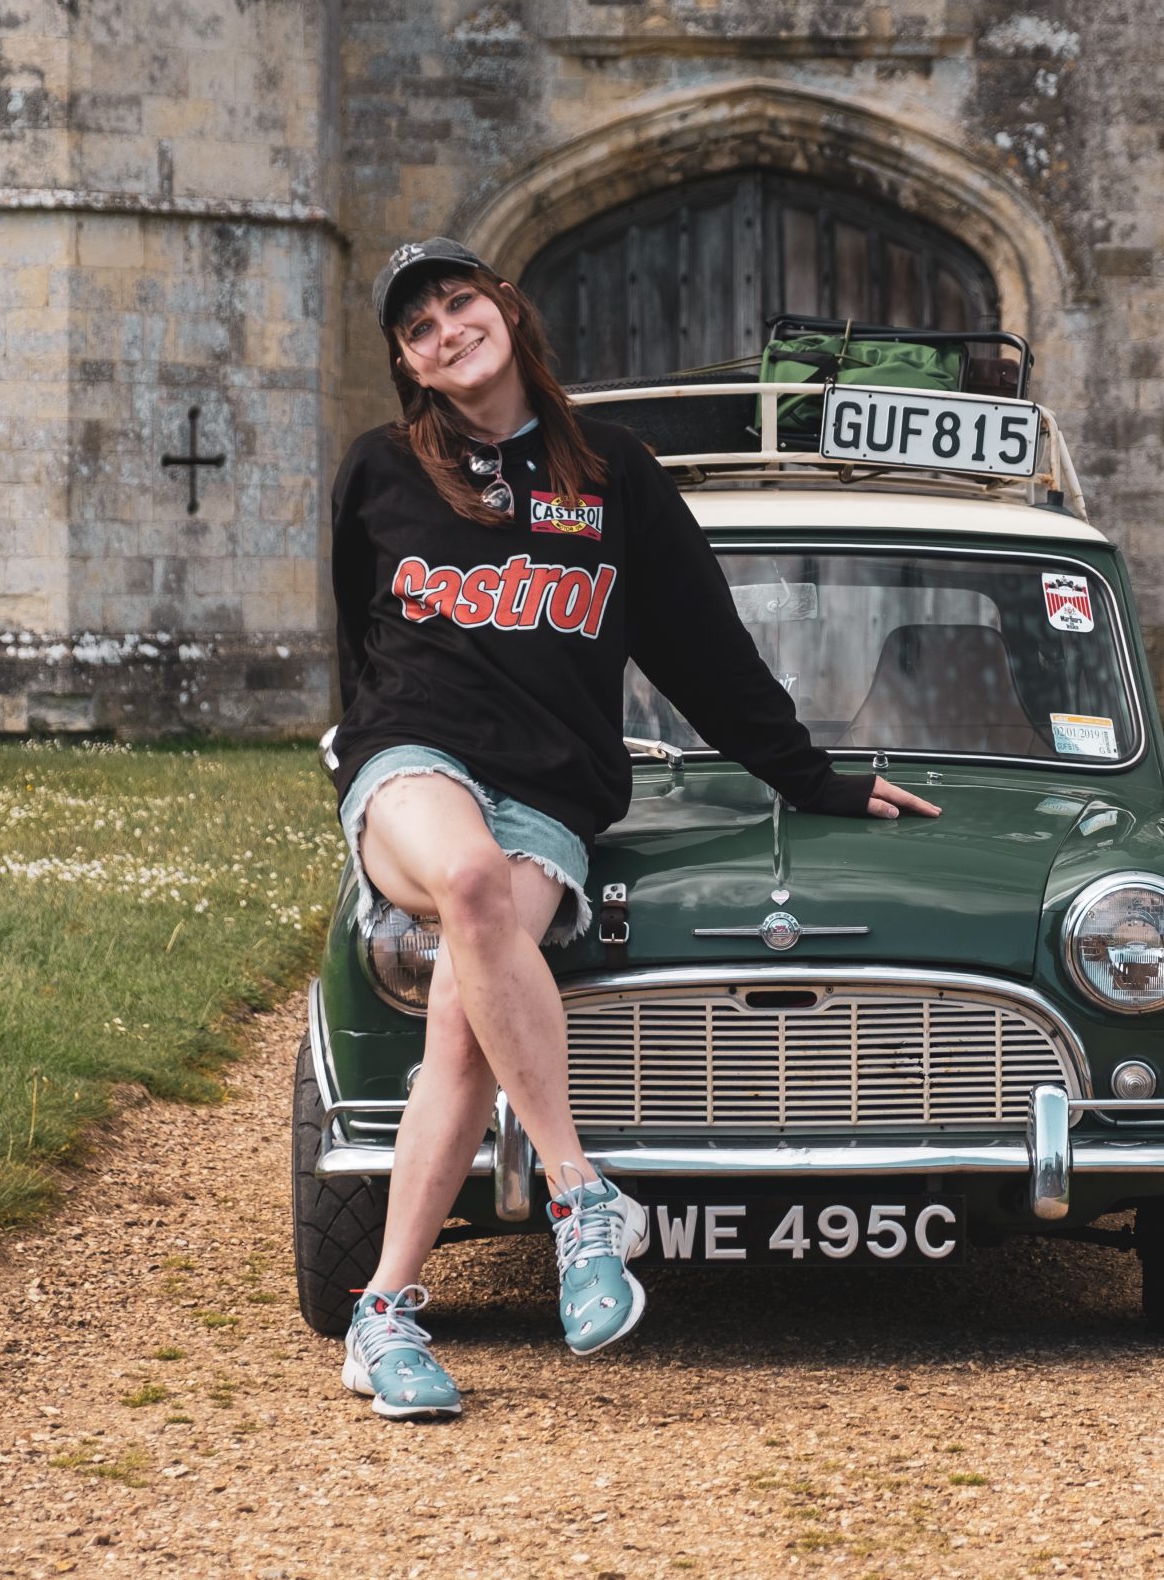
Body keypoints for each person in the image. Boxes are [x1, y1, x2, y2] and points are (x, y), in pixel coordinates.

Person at [325, 238, 941, 1419]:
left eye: (459, 303)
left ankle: (384, 1315)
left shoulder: (614, 473)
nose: (447, 331)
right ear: (409, 365)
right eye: (418, 329)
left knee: (462, 1014)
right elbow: (355, 638)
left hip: (550, 791)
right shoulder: (380, 469)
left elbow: (700, 646)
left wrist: (810, 779)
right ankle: (581, 1195)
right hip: (412, 762)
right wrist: (355, 755)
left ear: (505, 308)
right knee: (469, 883)